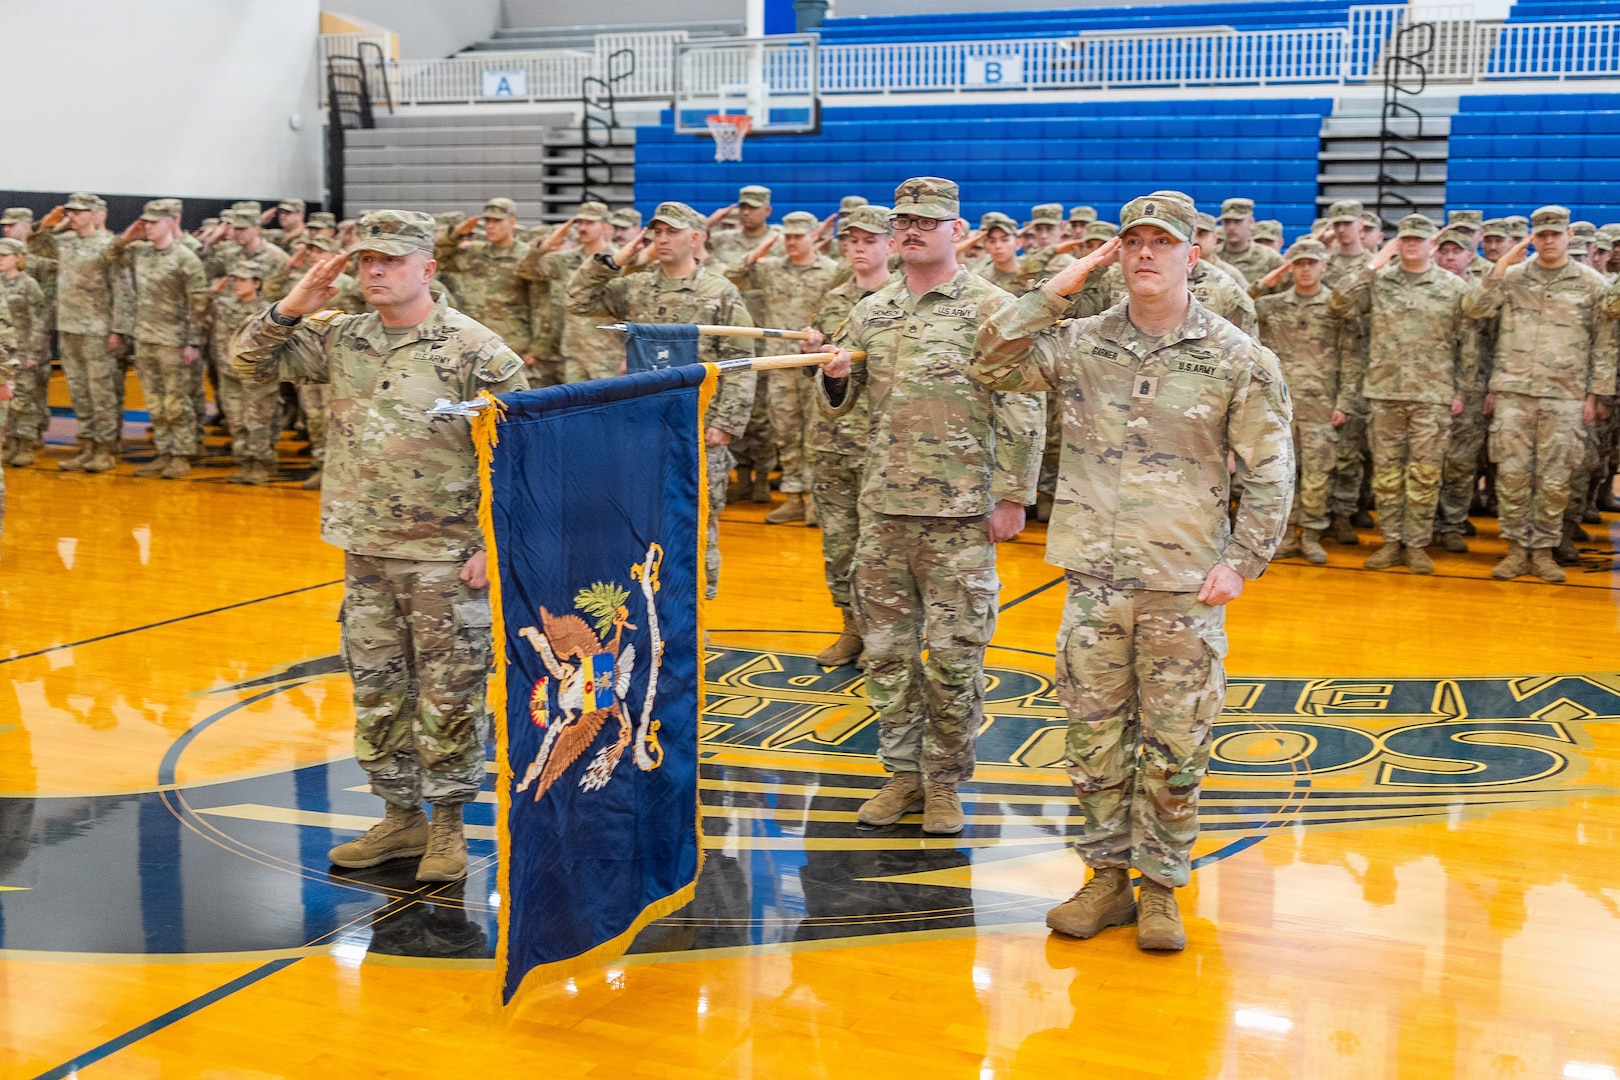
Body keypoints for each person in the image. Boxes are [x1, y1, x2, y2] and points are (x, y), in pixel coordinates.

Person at [972, 190, 1293, 952]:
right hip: (1094, 581)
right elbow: (990, 360)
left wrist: (1243, 562)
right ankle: (1106, 877)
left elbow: (1272, 468)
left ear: (1194, 254)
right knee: (1093, 738)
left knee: (1177, 743)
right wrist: (1058, 287)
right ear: (1114, 254)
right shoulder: (1079, 340)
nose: (1146, 253)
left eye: (1163, 242)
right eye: (1132, 241)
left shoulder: (1236, 355)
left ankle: (1160, 887)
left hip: (1184, 584)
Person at [232, 210, 527, 882]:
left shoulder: (476, 350)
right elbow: (248, 364)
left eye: (390, 261)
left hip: (448, 558)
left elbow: (527, 455)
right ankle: (400, 818)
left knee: (449, 693)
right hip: (364, 548)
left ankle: (449, 826)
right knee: (377, 689)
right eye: (366, 261)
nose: (374, 272)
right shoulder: (343, 339)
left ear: (428, 268)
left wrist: (497, 542)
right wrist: (291, 306)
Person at [816, 177, 1044, 837]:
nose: (912, 230)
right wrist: (833, 378)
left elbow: (1026, 404)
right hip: (884, 508)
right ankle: (902, 774)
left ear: (956, 230)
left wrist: (1012, 496)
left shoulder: (994, 307)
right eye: (903, 221)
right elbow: (845, 397)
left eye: (927, 221)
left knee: (954, 656)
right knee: (887, 653)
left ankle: (944, 781)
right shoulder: (871, 310)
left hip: (962, 514)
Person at [566, 201, 758, 600]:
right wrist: (618, 257)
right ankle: (646, 617)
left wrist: (724, 423)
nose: (662, 238)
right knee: (637, 523)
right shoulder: (634, 286)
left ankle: (694, 622)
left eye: (671, 231)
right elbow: (577, 299)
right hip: (640, 430)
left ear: (696, 237)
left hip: (696, 430)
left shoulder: (719, 291)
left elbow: (741, 358)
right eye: (657, 231)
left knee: (694, 526)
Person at [1467, 206, 1616, 583]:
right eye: (1542, 234)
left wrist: (1596, 395)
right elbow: (1475, 309)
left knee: (1555, 480)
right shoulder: (1513, 277)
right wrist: (1501, 266)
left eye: (1555, 234)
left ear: (1568, 236)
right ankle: (1518, 550)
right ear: (1533, 238)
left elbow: (1604, 343)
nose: (1549, 240)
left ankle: (1544, 551)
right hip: (1515, 394)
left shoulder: (1591, 282)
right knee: (1513, 478)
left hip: (1566, 398)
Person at [1326, 215, 1469, 573]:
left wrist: (1461, 389)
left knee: (1425, 473)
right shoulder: (1379, 282)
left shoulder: (1452, 287)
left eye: (1419, 240)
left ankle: (1417, 544)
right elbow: (1339, 304)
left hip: (1432, 395)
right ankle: (1392, 542)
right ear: (1397, 243)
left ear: (1430, 245)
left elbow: (1467, 343)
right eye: (1405, 239)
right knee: (1387, 475)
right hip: (1385, 392)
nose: (1411, 245)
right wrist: (1373, 264)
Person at [798, 204, 894, 668]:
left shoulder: (903, 299)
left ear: (890, 245)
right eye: (850, 241)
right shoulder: (833, 297)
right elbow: (817, 380)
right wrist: (811, 356)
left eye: (868, 240)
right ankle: (851, 628)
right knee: (839, 546)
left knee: (882, 550)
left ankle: (886, 637)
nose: (858, 248)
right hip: (833, 438)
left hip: (884, 445)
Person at [727, 210, 841, 525]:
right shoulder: (770, 269)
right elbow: (730, 277)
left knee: (818, 433)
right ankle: (793, 497)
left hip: (816, 363)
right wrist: (762, 249)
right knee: (786, 433)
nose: (791, 242)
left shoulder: (831, 272)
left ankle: (817, 501)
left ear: (814, 237)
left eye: (797, 236)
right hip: (779, 363)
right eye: (787, 236)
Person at [1253, 238, 1352, 564]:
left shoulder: (1336, 308)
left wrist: (1345, 401)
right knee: (1282, 473)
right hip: (1280, 404)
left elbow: (1351, 356)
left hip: (1321, 403)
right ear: (1289, 267)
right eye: (1299, 263)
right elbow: (1236, 309)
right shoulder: (1274, 305)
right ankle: (1286, 534)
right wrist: (1264, 281)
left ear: (1324, 265)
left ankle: (1310, 534)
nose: (1306, 269)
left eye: (1312, 262)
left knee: (1317, 472)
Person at [109, 200, 211, 480]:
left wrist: (193, 342)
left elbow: (198, 303)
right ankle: (164, 452)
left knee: (177, 403)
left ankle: (181, 456)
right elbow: (110, 256)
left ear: (170, 223)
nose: (148, 227)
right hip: (145, 338)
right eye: (146, 222)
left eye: (154, 222)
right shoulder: (139, 253)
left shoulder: (185, 258)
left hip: (174, 341)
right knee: (154, 402)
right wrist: (127, 237)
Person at [30, 193, 123, 473]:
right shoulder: (65, 243)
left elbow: (121, 289)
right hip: (68, 327)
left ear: (94, 214)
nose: (72, 216)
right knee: (79, 392)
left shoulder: (108, 245)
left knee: (101, 393)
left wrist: (118, 329)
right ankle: (87, 447)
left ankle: (105, 450)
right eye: (70, 212)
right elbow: (33, 250)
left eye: (79, 212)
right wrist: (45, 225)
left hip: (98, 330)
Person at [518, 202, 624, 384]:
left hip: (608, 355)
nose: (583, 228)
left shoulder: (618, 260)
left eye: (590, 223)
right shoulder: (566, 260)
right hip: (573, 354)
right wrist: (546, 245)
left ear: (605, 227)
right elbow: (527, 270)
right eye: (580, 222)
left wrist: (627, 355)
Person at [435, 198, 536, 380]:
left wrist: (538, 347)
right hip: (474, 341)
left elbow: (541, 303)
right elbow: (438, 259)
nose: (490, 226)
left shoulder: (526, 255)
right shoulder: (475, 253)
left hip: (514, 343)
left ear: (512, 222)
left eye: (497, 221)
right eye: (487, 221)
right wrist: (455, 233)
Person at [209, 262, 279, 484]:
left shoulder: (268, 311)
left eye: (242, 280)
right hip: (229, 372)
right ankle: (244, 463)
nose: (236, 284)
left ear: (256, 283)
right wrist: (214, 292)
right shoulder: (225, 304)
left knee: (257, 420)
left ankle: (260, 463)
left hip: (257, 375)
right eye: (234, 280)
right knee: (236, 420)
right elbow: (197, 309)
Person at [0, 239, 50, 468]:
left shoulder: (28, 284)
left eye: (4, 255)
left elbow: (39, 320)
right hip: (4, 352)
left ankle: (26, 446)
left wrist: (33, 352)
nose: (0, 259)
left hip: (23, 349)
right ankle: (10, 443)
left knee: (24, 399)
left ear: (18, 258)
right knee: (7, 400)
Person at [1218, 197, 1283, 286]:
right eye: (1227, 222)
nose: (1231, 227)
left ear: (1251, 222)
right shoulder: (1212, 256)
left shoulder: (1270, 258)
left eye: (1237, 221)